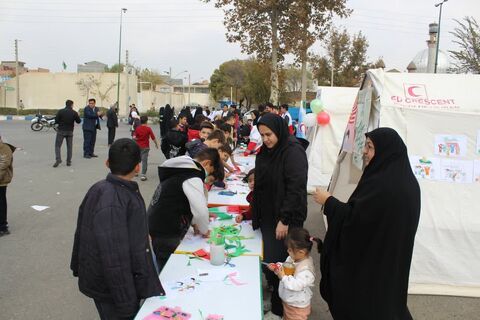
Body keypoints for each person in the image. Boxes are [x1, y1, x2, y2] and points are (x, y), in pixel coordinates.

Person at [314, 127, 421, 320]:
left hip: (371, 266)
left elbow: (355, 221)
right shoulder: (405, 182)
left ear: (385, 151)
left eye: (370, 147)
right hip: (388, 262)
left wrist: (328, 201)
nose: (364, 152)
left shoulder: (382, 186)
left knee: (368, 305)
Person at [70, 138, 164, 319]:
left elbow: (81, 232)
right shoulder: (116, 200)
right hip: (113, 288)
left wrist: (78, 266)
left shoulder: (101, 189)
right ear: (138, 167)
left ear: (107, 163)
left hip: (106, 280)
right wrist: (126, 302)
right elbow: (114, 257)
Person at [253, 113, 308, 320]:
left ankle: (279, 310)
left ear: (279, 130)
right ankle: (275, 297)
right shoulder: (269, 150)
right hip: (270, 215)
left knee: (281, 264)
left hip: (286, 219)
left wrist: (284, 220)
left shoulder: (292, 151)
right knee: (270, 261)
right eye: (262, 135)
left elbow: (295, 188)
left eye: (269, 134)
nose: (265, 139)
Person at [148, 148, 223, 271]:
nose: (207, 177)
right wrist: (204, 230)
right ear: (206, 163)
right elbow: (200, 210)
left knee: (166, 264)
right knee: (170, 270)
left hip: (158, 225)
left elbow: (187, 203)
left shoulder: (182, 171)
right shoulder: (192, 176)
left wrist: (194, 223)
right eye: (209, 172)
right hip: (167, 230)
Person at [267, 228, 320, 320]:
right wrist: (277, 266)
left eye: (290, 250)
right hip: (289, 301)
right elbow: (285, 266)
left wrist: (282, 276)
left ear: (301, 252)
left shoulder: (306, 270)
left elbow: (296, 285)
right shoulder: (293, 258)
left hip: (297, 307)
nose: (288, 251)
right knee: (287, 316)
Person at [53, 99, 81, 167]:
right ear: (72, 105)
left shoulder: (60, 111)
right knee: (69, 147)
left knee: (57, 146)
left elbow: (56, 121)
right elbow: (78, 121)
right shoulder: (74, 112)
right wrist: (78, 115)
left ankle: (58, 159)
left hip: (61, 131)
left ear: (65, 104)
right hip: (70, 131)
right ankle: (68, 162)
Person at [133, 116, 159, 181]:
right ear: (146, 121)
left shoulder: (137, 128)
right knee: (144, 161)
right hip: (145, 147)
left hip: (137, 146)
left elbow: (134, 137)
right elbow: (153, 137)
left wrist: (137, 139)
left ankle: (136, 172)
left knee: (137, 159)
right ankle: (143, 175)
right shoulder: (148, 129)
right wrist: (156, 144)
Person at [0, 136, 15, 236]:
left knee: (1, 203)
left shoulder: (4, 148)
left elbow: (4, 164)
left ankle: (3, 227)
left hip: (2, 181)